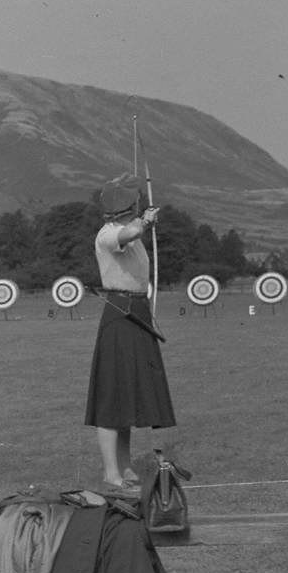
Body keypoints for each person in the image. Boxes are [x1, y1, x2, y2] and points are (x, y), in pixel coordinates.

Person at [84, 174, 175, 492]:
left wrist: (143, 223)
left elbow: (134, 232)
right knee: (112, 396)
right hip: (120, 313)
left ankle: (124, 465)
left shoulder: (127, 233)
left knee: (125, 395)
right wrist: (146, 221)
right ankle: (111, 472)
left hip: (136, 311)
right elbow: (132, 230)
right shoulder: (109, 234)